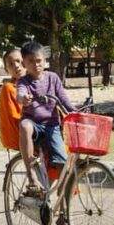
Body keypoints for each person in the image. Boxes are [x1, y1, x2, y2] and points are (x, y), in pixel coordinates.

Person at [16, 41, 76, 190]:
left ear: (44, 60)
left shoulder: (53, 78)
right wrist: (24, 98)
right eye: (31, 61)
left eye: (39, 61)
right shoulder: (23, 81)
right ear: (24, 63)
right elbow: (20, 94)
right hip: (33, 123)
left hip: (52, 125)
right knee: (24, 126)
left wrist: (77, 112)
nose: (36, 64)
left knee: (63, 164)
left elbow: (64, 101)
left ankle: (62, 207)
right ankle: (31, 175)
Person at [0, 49, 25, 150]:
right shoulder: (8, 88)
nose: (16, 66)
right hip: (20, 134)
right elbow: (15, 117)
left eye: (18, 61)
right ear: (6, 70)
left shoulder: (34, 83)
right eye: (11, 64)